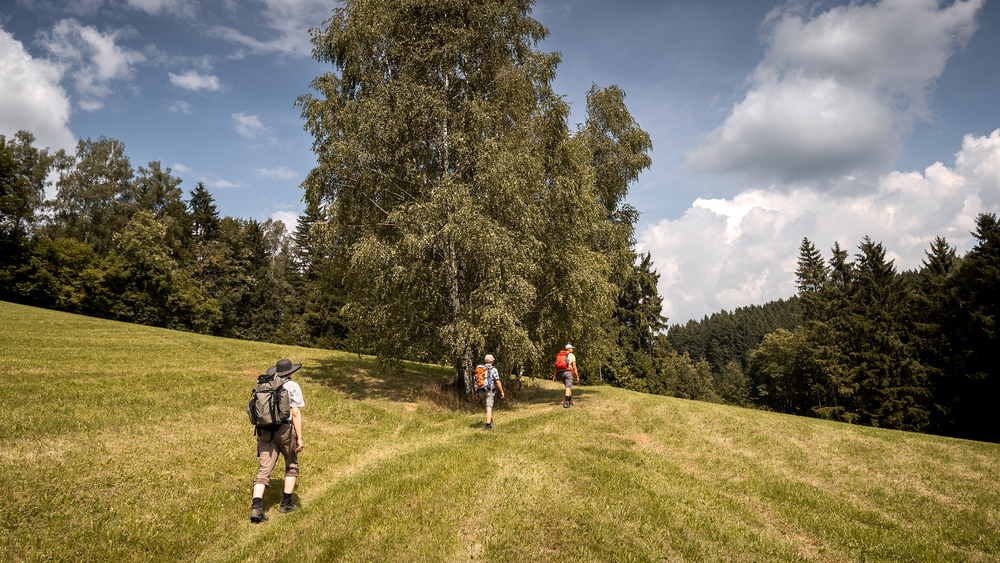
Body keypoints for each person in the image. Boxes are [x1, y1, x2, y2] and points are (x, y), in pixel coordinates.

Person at [250, 359, 305, 523]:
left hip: (265, 431)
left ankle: (256, 508)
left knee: (263, 471)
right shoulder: (293, 386)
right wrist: (300, 438)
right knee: (291, 465)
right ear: (290, 372)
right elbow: (295, 413)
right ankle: (285, 505)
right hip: (285, 430)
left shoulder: (265, 386)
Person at [475, 354, 504, 430]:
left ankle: (490, 420)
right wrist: (502, 391)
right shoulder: (493, 369)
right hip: (489, 391)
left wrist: (477, 392)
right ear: (492, 361)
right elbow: (497, 382)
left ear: (485, 361)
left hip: (481, 390)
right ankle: (488, 425)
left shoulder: (479, 368)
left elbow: (477, 381)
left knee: (487, 407)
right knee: (489, 408)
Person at [553, 344, 579, 408]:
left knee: (568, 386)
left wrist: (554, 375)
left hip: (560, 373)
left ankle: (570, 401)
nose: (572, 349)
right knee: (567, 387)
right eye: (572, 348)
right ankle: (565, 403)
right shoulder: (571, 355)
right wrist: (577, 376)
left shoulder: (560, 355)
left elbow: (556, 366)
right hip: (567, 372)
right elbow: (574, 367)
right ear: (569, 349)